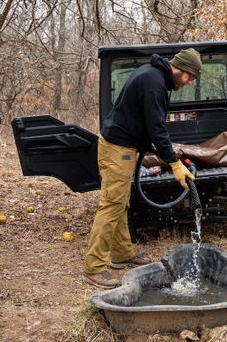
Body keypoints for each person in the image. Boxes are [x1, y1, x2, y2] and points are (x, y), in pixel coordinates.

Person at [83, 48, 202, 288]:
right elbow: (156, 129)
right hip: (117, 148)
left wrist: (163, 153)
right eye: (190, 76)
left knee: (120, 202)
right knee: (112, 204)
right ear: (180, 68)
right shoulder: (154, 84)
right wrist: (174, 163)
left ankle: (122, 254)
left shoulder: (154, 76)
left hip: (122, 146)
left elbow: (147, 125)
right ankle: (93, 268)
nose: (190, 82)